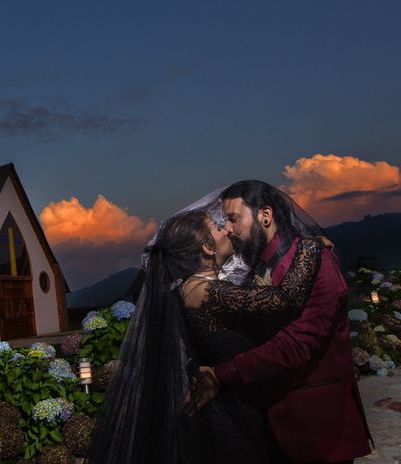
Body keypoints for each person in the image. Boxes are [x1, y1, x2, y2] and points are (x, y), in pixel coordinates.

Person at [87, 199, 324, 463]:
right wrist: (310, 246)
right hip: (233, 418)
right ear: (208, 247)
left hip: (228, 406)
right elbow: (285, 298)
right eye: (218, 227)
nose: (227, 230)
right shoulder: (203, 291)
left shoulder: (190, 288)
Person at [190, 180, 372, 463]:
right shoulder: (253, 267)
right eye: (224, 221)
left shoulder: (316, 260)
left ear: (265, 215)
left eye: (233, 218)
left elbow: (299, 342)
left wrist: (221, 374)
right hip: (270, 422)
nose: (228, 228)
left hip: (317, 422)